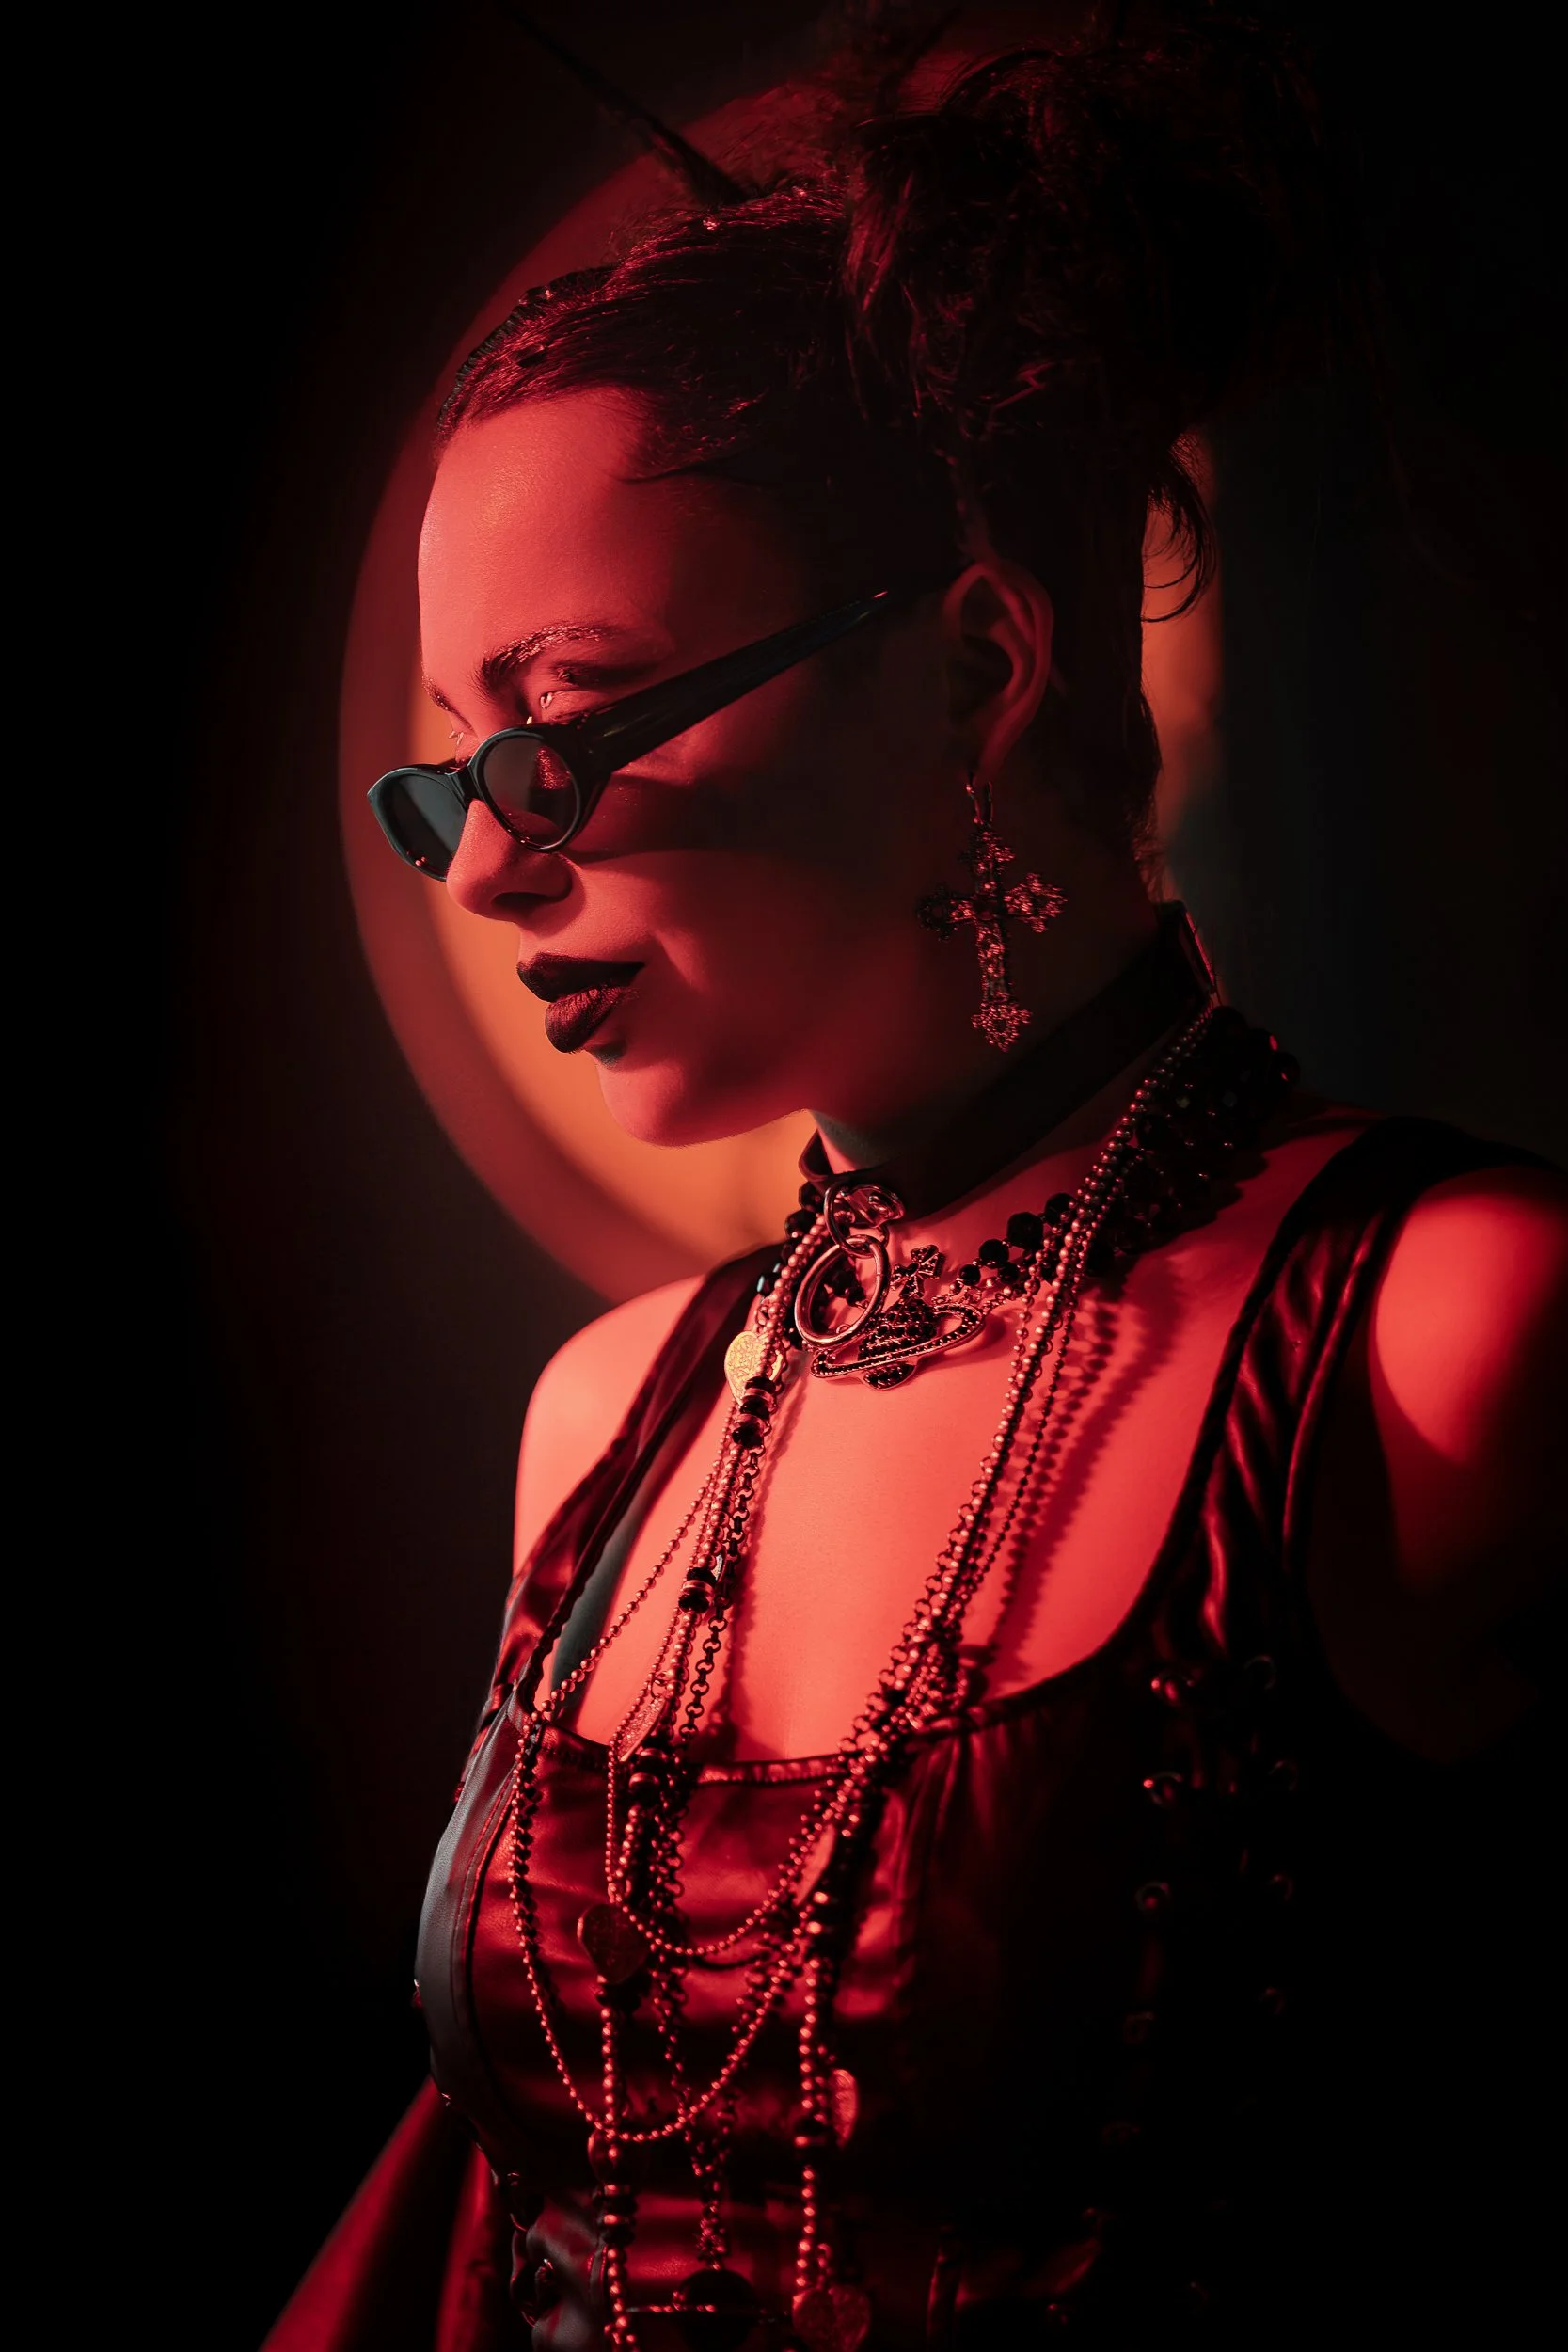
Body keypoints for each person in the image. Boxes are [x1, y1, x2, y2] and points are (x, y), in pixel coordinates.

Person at [269, 13, 1565, 2349]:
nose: (482, 865)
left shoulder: (1440, 1334)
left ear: (974, 662)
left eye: (563, 730)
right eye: (455, 772)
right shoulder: (609, 1419)